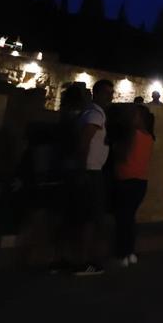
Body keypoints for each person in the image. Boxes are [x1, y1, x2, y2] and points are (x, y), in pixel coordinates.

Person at [62, 79, 112, 276]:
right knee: (88, 218)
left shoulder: (88, 113)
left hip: (87, 170)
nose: (110, 97)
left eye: (111, 93)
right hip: (90, 171)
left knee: (82, 217)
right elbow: (84, 143)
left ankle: (75, 258)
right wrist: (83, 170)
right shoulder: (94, 114)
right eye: (106, 93)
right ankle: (83, 262)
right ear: (96, 94)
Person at [111, 103, 153, 267]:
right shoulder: (148, 136)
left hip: (125, 179)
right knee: (130, 218)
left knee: (123, 219)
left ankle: (123, 253)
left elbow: (120, 155)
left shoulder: (129, 134)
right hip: (141, 181)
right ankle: (130, 252)